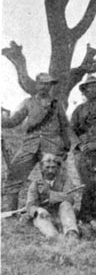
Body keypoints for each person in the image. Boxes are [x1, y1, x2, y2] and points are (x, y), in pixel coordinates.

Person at [1, 73, 70, 212]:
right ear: (36, 85)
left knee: (54, 177)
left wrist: (65, 147)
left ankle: (54, 209)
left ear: (51, 86)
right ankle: (10, 209)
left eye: (48, 84)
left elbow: (64, 126)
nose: (45, 87)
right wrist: (2, 116)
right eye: (42, 83)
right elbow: (13, 121)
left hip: (52, 144)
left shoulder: (57, 104)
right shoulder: (28, 102)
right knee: (15, 172)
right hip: (30, 144)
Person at [24, 153, 79, 240]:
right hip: (44, 216)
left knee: (66, 204)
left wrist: (49, 193)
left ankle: (71, 232)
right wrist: (38, 210)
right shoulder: (36, 183)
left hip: (62, 214)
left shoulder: (65, 180)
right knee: (52, 235)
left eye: (53, 167)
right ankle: (53, 236)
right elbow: (30, 206)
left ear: (57, 168)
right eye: (47, 167)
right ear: (42, 168)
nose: (50, 171)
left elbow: (70, 198)